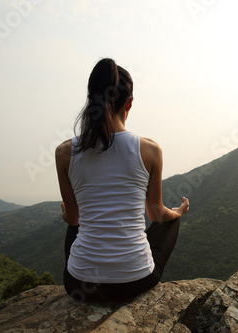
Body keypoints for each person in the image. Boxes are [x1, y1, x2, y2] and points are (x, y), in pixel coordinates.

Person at [55, 58, 189, 303]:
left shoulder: (65, 152)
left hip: (80, 285)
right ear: (129, 103)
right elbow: (156, 213)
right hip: (135, 281)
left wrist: (66, 212)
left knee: (75, 225)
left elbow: (74, 219)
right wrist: (177, 212)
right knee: (170, 220)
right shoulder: (150, 149)